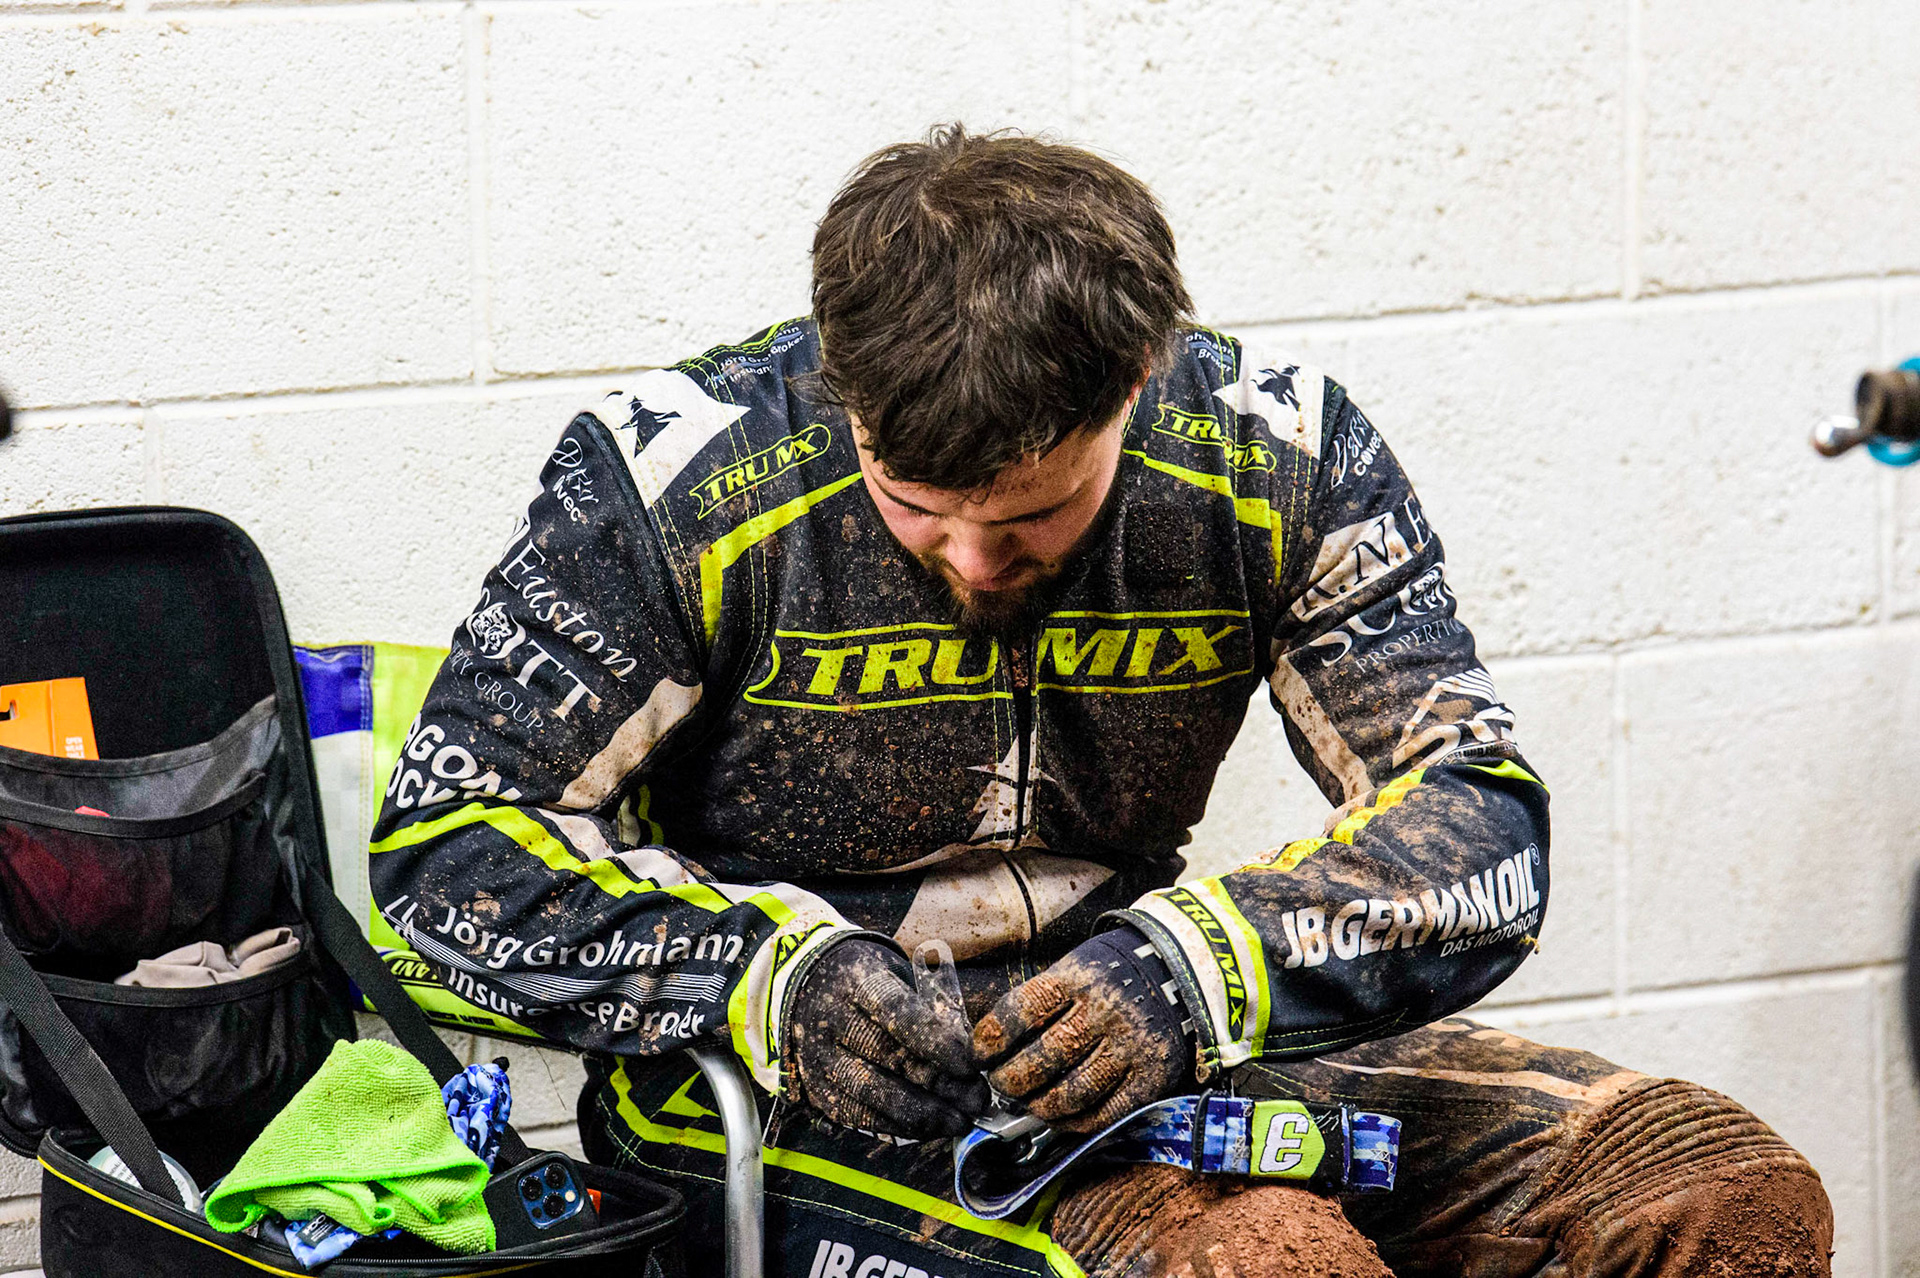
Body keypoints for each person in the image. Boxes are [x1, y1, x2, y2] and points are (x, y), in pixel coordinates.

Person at [370, 126, 1832, 1277]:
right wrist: (767, 976)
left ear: (1136, 381)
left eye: (1029, 515)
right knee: (1273, 1264)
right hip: (795, 1073)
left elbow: (1482, 824)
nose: (965, 559)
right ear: (841, 385)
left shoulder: (1275, 453)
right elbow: (443, 848)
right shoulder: (675, 481)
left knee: (1713, 1189)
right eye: (913, 506)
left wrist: (1203, 963)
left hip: (1165, 1022)